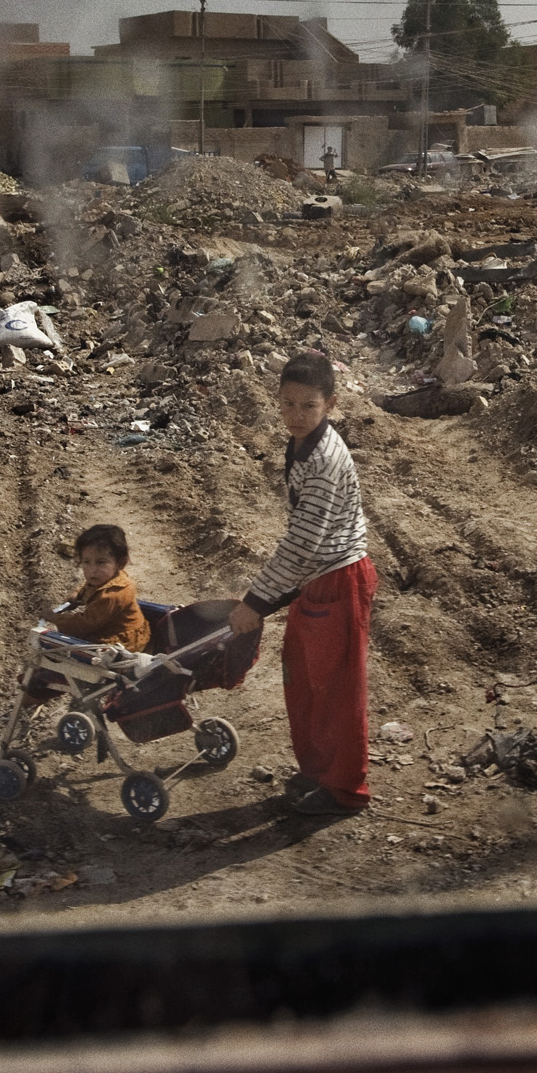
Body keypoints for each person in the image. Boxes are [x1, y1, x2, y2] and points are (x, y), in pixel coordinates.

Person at [228, 350, 376, 816]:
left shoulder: (326, 460)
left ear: (329, 405)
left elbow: (303, 542)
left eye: (307, 406)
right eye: (288, 404)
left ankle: (344, 790)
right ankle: (317, 770)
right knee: (305, 679)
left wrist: (255, 601)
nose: (295, 415)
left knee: (335, 689)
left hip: (338, 579)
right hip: (317, 579)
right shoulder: (302, 444)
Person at [48, 524, 149, 653]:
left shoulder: (113, 595)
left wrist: (55, 618)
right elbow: (88, 586)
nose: (92, 570)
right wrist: (77, 595)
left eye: (101, 562)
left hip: (122, 642)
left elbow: (84, 624)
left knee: (74, 646)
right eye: (86, 562)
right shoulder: (105, 578)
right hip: (110, 626)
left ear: (120, 563)